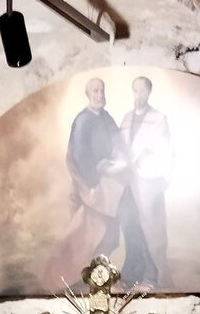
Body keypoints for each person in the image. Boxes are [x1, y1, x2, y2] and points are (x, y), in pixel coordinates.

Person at [44, 78, 156, 290]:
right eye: (95, 91)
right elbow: (79, 156)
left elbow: (119, 145)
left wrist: (121, 162)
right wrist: (92, 184)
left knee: (126, 226)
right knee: (98, 235)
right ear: (88, 94)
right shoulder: (82, 120)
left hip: (114, 184)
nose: (100, 94)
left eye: (102, 90)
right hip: (94, 187)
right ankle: (96, 279)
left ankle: (140, 275)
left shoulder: (107, 118)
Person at [120, 75, 171, 289]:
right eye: (136, 90)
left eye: (142, 91)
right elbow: (120, 148)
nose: (138, 95)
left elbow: (165, 152)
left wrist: (153, 173)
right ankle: (131, 275)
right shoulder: (126, 119)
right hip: (128, 183)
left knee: (150, 229)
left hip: (149, 182)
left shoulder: (158, 119)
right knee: (130, 226)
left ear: (149, 93)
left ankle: (151, 277)